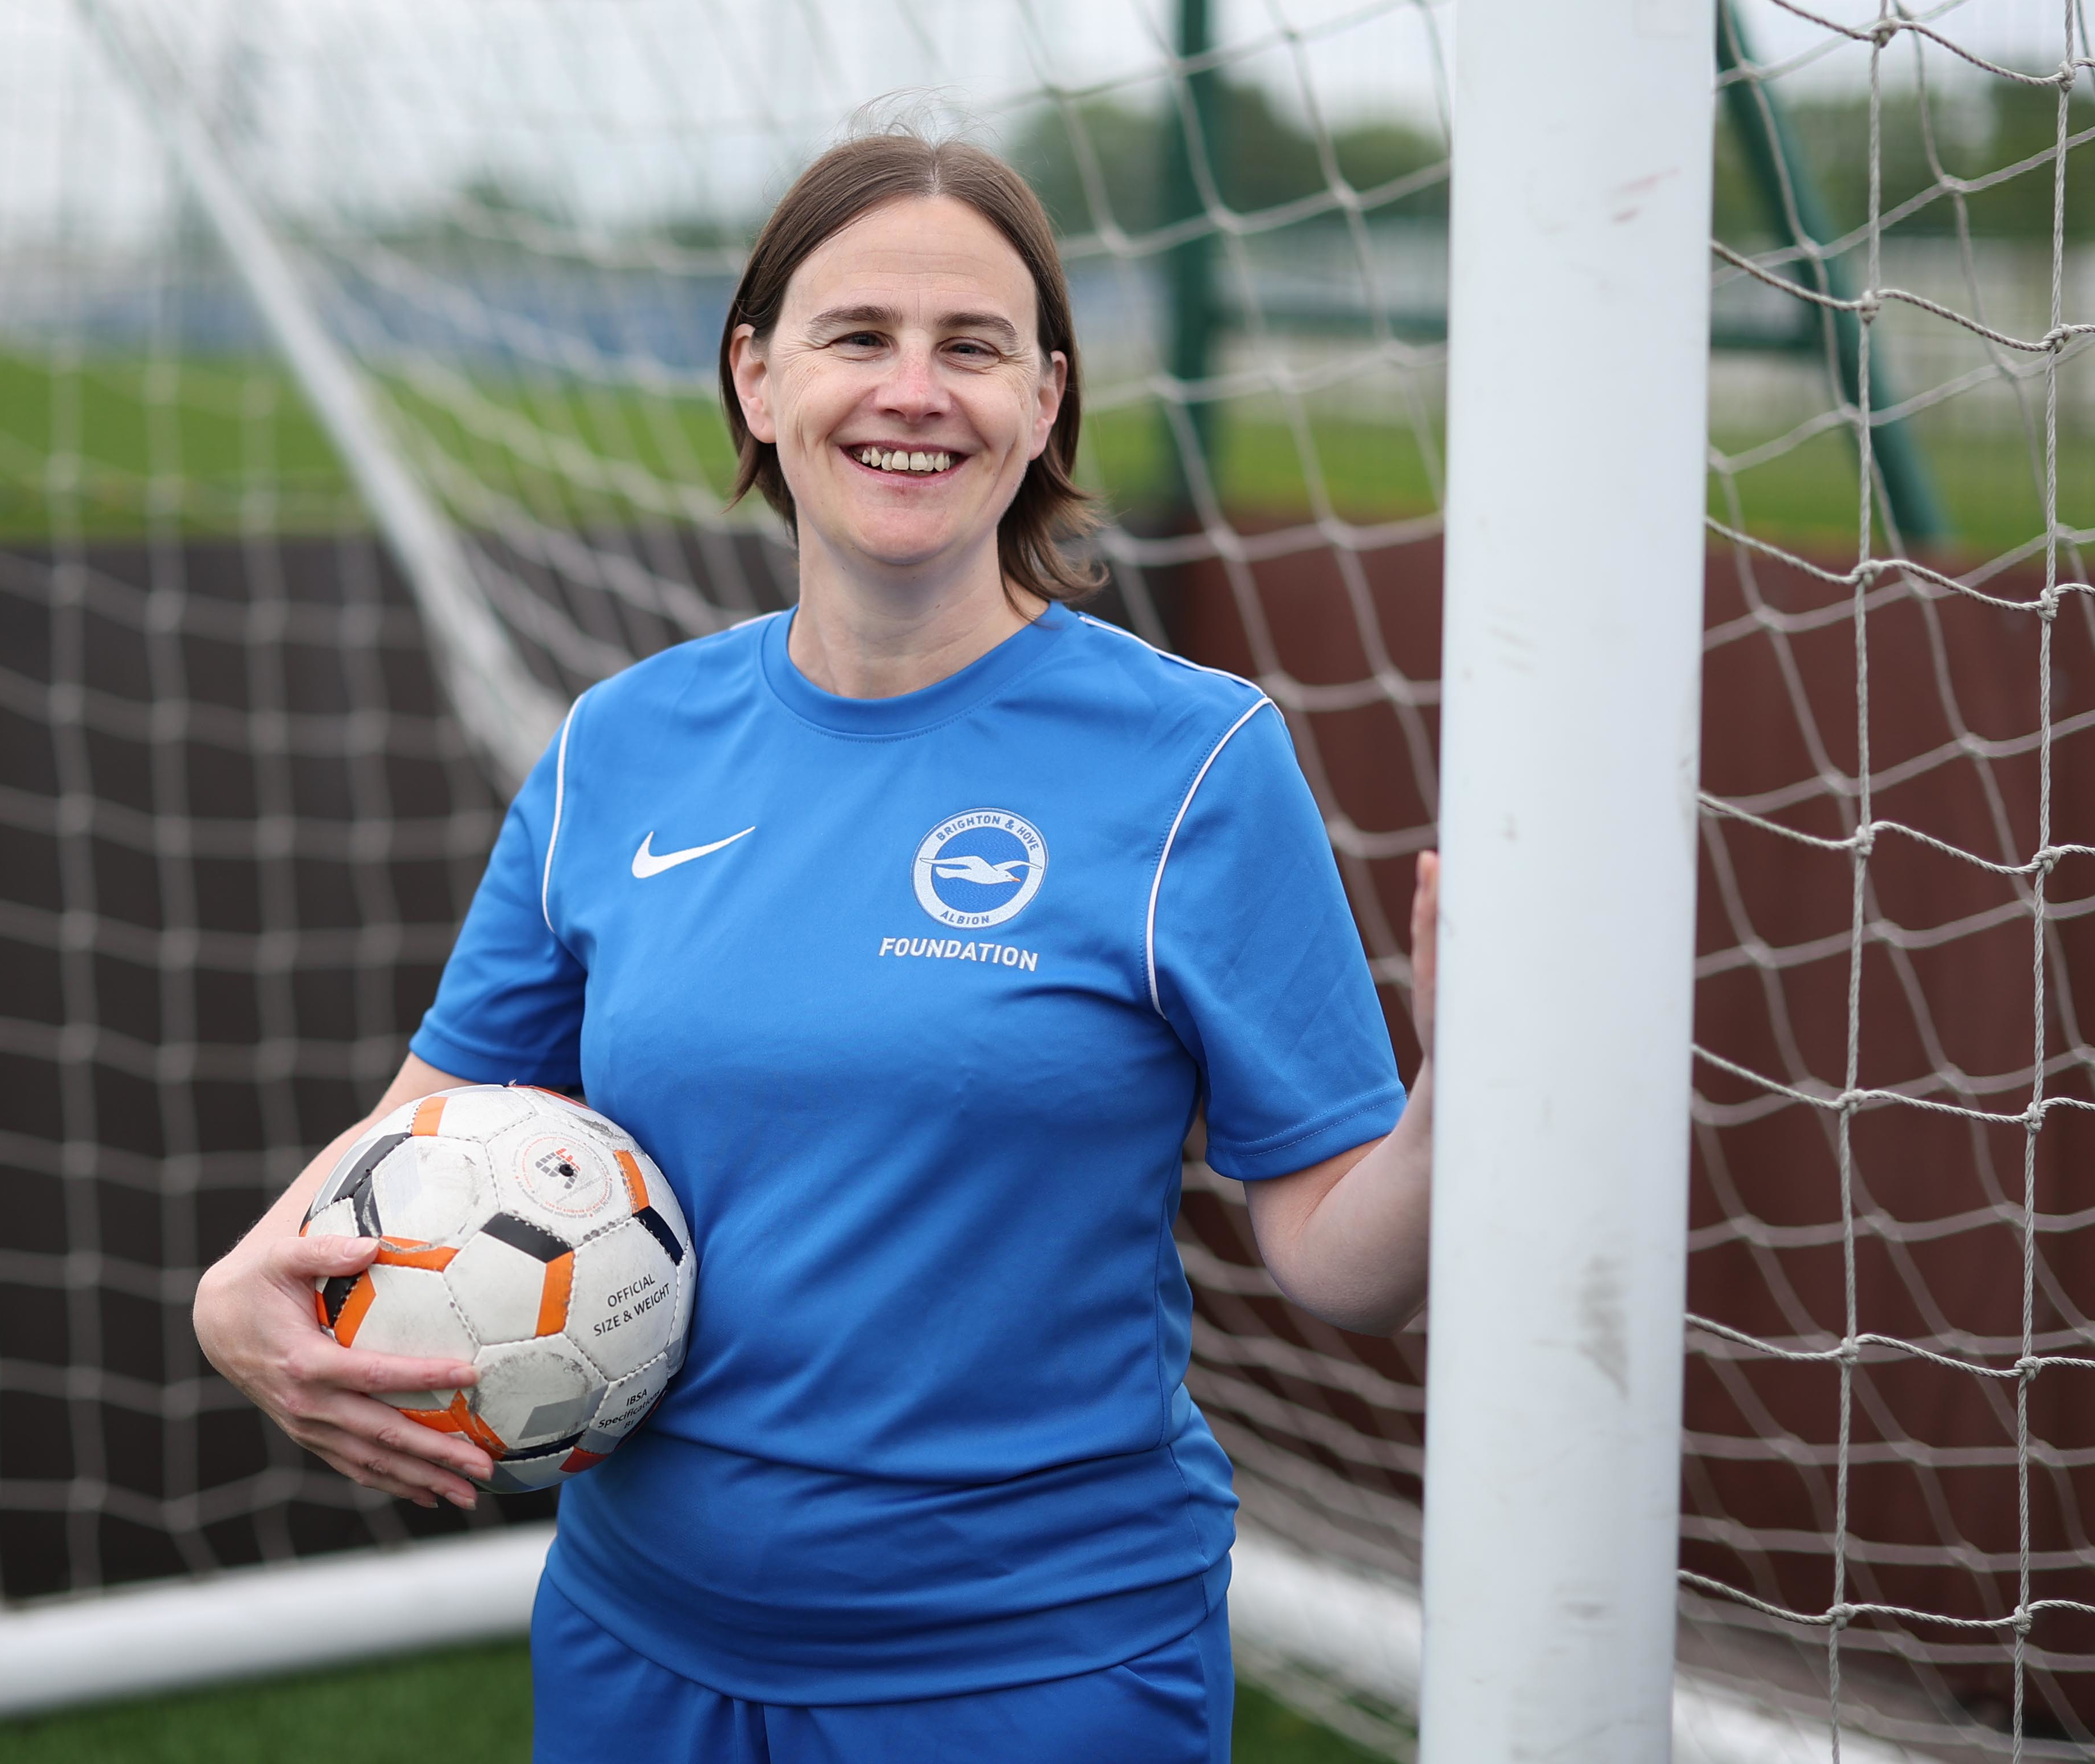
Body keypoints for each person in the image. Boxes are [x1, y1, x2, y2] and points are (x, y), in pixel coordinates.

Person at [194, 128, 1438, 1763]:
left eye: (972, 347)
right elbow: (405, 1145)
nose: (913, 390)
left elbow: (1344, 1259)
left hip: (1038, 1680)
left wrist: (1463, 1098)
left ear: (1045, 403)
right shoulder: (619, 750)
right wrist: (234, 1295)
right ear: (757, 376)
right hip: (641, 1653)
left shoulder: (1195, 762)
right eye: (859, 336)